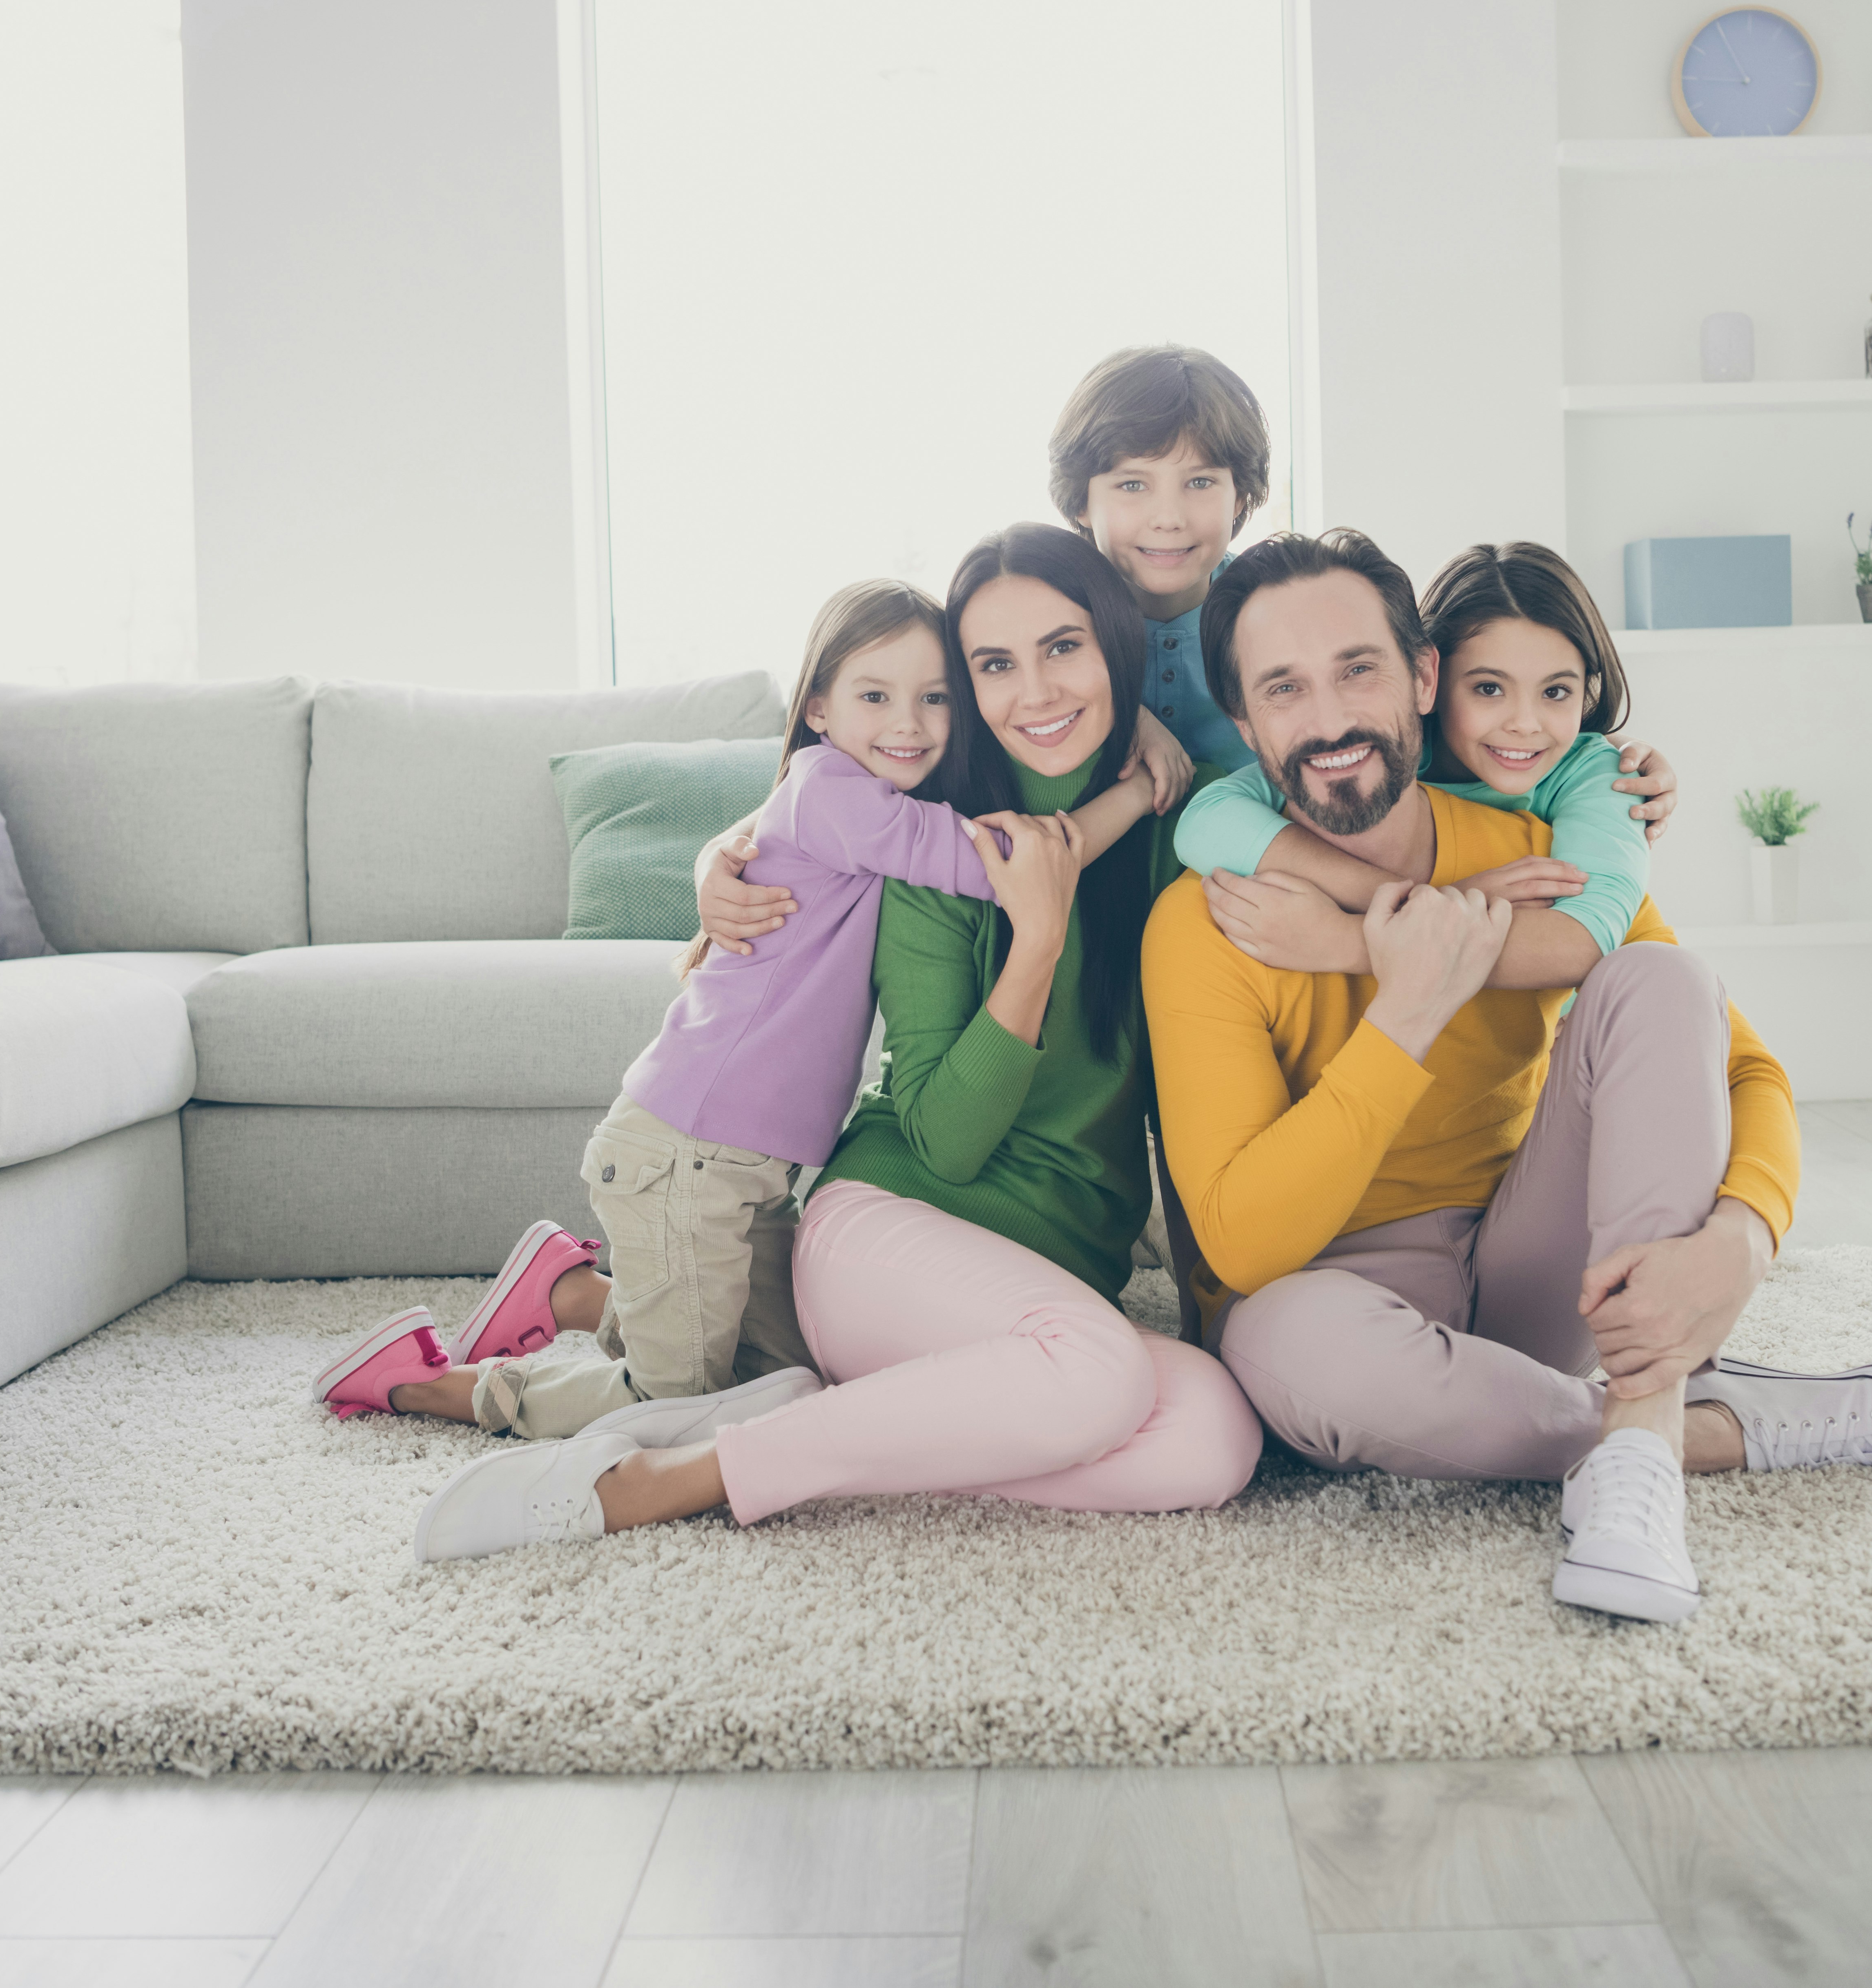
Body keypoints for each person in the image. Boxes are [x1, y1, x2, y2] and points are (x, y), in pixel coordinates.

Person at [1142, 530, 1872, 1624]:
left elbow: (1740, 1063)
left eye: (1359, 668)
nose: (1333, 716)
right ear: (1247, 724)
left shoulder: (1546, 849)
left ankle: (1634, 1445)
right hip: (1336, 1308)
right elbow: (1248, 1246)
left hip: (1529, 1276)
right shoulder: (1212, 917)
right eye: (1284, 688)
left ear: (1422, 676)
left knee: (1661, 975)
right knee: (1272, 1341)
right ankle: (1685, 1425)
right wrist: (1407, 1005)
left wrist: (1741, 1238)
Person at [407, 525, 1261, 1561]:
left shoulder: (1185, 835)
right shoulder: (936, 845)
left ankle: (838, 1429)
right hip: (891, 1232)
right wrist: (1034, 945)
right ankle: (663, 1479)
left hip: (1039, 1284)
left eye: (1064, 649)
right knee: (1108, 1377)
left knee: (1213, 1437)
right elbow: (946, 1142)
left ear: (1118, 654)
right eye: (994, 664)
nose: (1033, 689)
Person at [306, 579, 1155, 1442]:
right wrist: (1140, 787)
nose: (910, 723)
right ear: (817, 706)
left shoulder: (858, 799)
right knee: (670, 1406)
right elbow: (1006, 866)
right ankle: (427, 1387)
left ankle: (567, 1291)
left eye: (936, 697)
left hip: (749, 1164)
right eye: (875, 695)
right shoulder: (833, 794)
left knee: (789, 1377)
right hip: (688, 1154)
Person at [690, 346, 1682, 958]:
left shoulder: (1276, 622)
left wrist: (1604, 764)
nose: (1167, 519)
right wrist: (721, 852)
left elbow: (1437, 723)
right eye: (1131, 485)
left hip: (1258, 932)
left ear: (1244, 494)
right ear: (1079, 499)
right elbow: (882, 740)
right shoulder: (1032, 629)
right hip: (1064, 933)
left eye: (1199, 481)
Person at [1175, 540, 1650, 964]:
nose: (1524, 723)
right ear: (1430, 681)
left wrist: (1349, 940)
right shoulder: (1386, 755)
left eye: (1555, 692)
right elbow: (1206, 821)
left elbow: (1582, 939)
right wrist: (1427, 901)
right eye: (1488, 688)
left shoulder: (1603, 777)